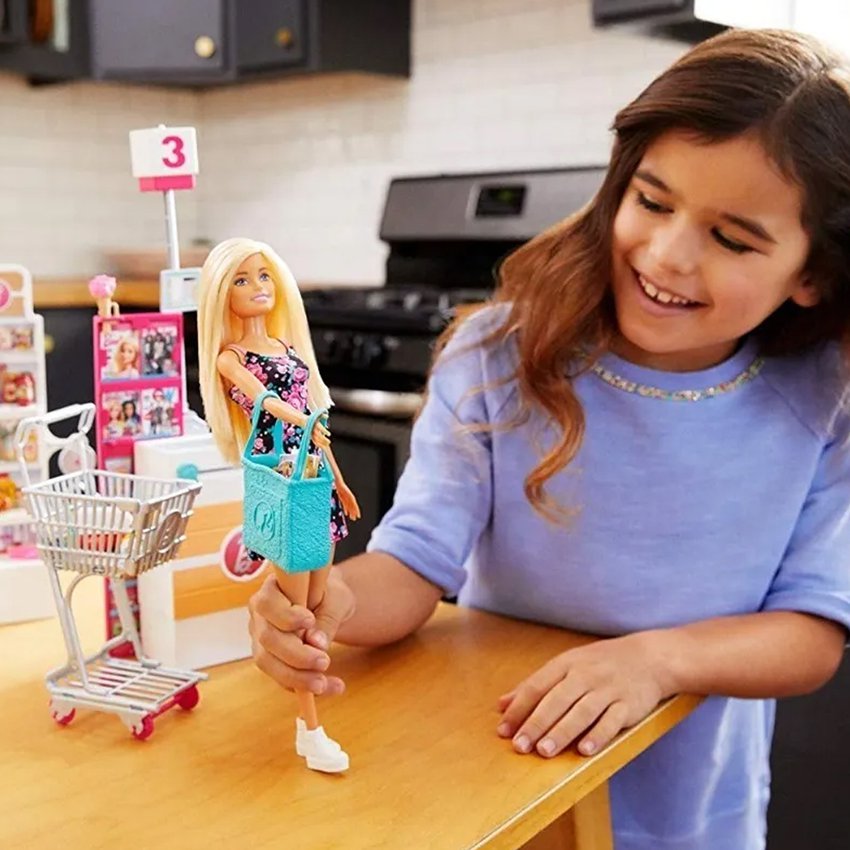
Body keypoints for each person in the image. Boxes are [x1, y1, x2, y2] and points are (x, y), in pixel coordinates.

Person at [246, 28, 850, 850]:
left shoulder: (825, 397)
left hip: (695, 816)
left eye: (732, 239)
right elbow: (415, 560)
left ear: (813, 272)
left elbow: (812, 631)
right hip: (501, 787)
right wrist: (332, 604)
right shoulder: (495, 353)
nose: (668, 255)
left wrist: (657, 661)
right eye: (653, 202)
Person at [197, 237, 360, 774]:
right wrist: (302, 420)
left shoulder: (289, 350)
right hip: (283, 480)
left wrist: (340, 482)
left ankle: (307, 727)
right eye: (242, 280)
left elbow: (319, 426)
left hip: (315, 479)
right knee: (296, 616)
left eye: (263, 276)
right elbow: (267, 404)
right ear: (223, 295)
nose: (257, 287)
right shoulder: (231, 359)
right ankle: (311, 729)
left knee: (316, 604)